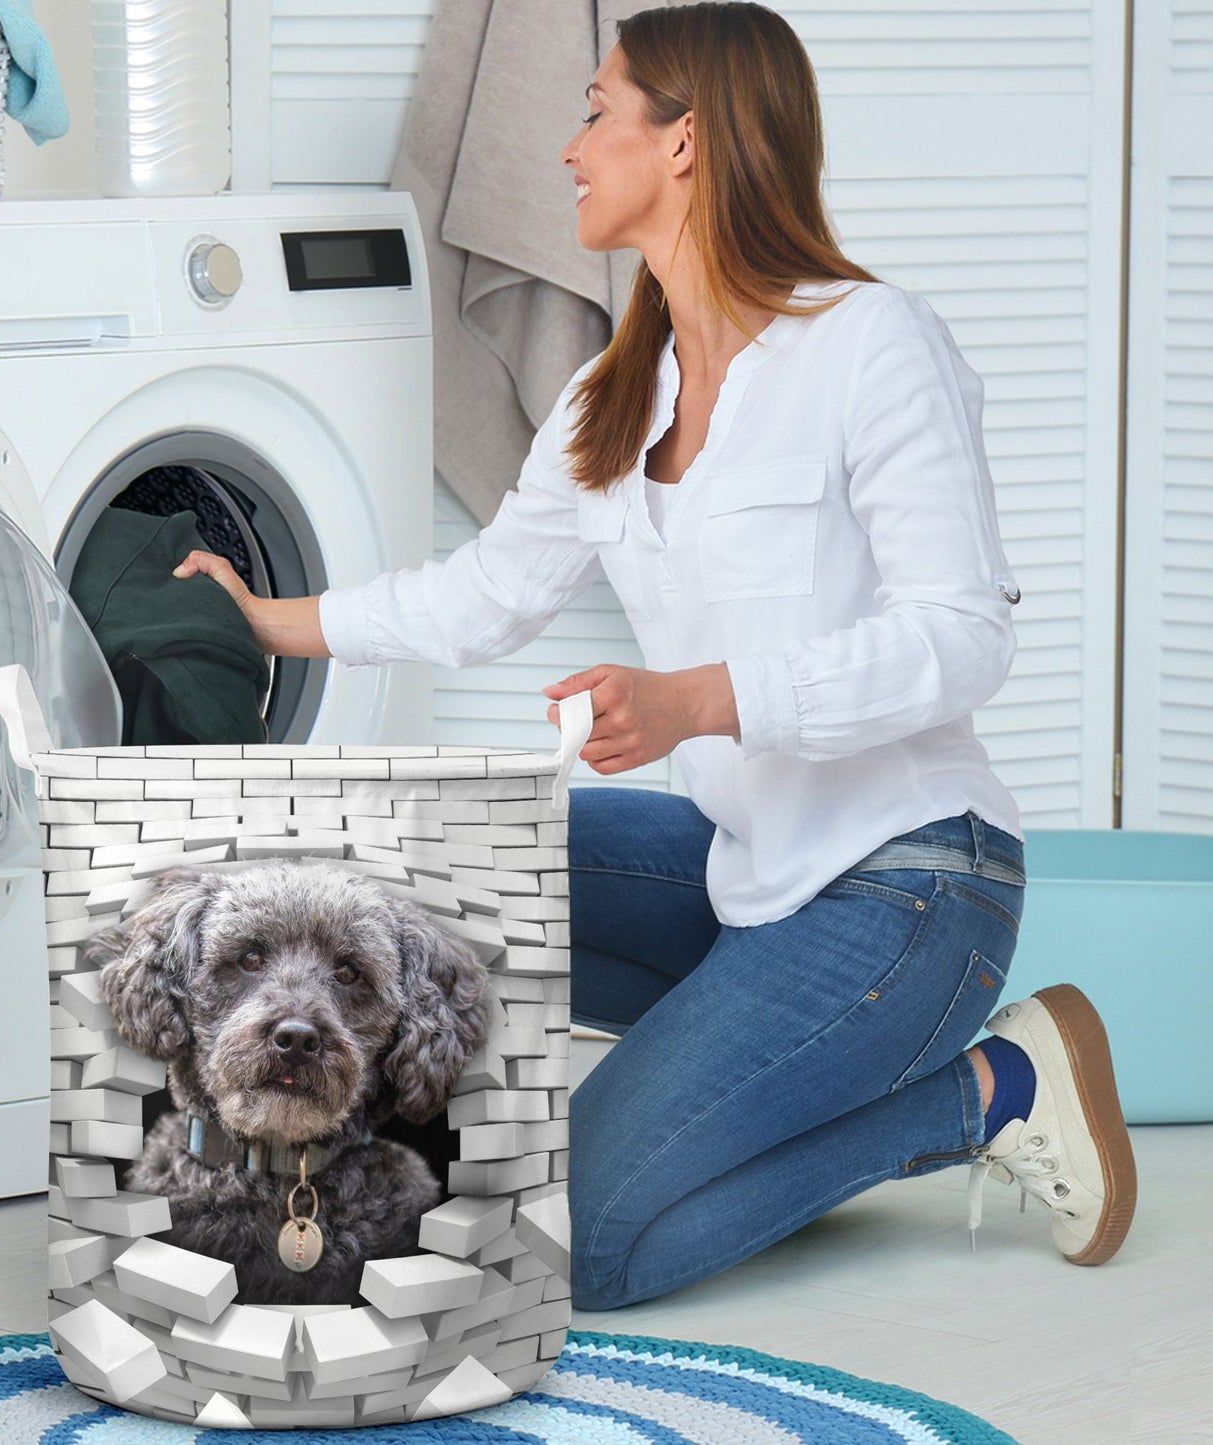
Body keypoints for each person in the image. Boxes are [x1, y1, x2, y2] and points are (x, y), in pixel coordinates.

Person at [175, 0, 1136, 1311]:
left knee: (591, 1242)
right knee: (414, 882)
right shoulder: (610, 395)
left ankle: (989, 1091)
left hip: (910, 885)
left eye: (595, 112)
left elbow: (962, 640)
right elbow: (484, 596)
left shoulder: (867, 342)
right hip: (747, 875)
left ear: (683, 142)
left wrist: (701, 700)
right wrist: (274, 616)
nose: (567, 148)